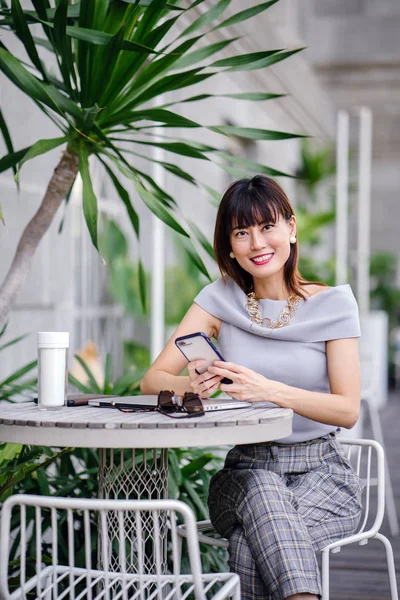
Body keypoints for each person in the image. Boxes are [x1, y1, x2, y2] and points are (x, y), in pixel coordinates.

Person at [140, 175, 363, 600]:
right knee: (262, 490)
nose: (257, 243)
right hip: (244, 472)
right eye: (241, 232)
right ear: (229, 246)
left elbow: (347, 410)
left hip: (323, 474)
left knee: (249, 545)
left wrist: (269, 389)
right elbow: (152, 381)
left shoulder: (333, 305)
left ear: (292, 229)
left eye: (267, 227)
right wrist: (192, 384)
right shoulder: (219, 299)